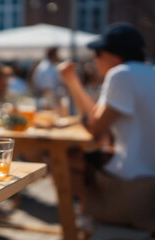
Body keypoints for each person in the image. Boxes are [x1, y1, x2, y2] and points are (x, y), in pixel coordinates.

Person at [58, 23, 155, 231]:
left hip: (134, 183)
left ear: (114, 55)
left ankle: (87, 215)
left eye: (98, 53)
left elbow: (94, 127)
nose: (95, 58)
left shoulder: (121, 75)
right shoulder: (149, 72)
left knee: (65, 156)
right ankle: (87, 212)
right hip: (149, 175)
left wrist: (72, 82)